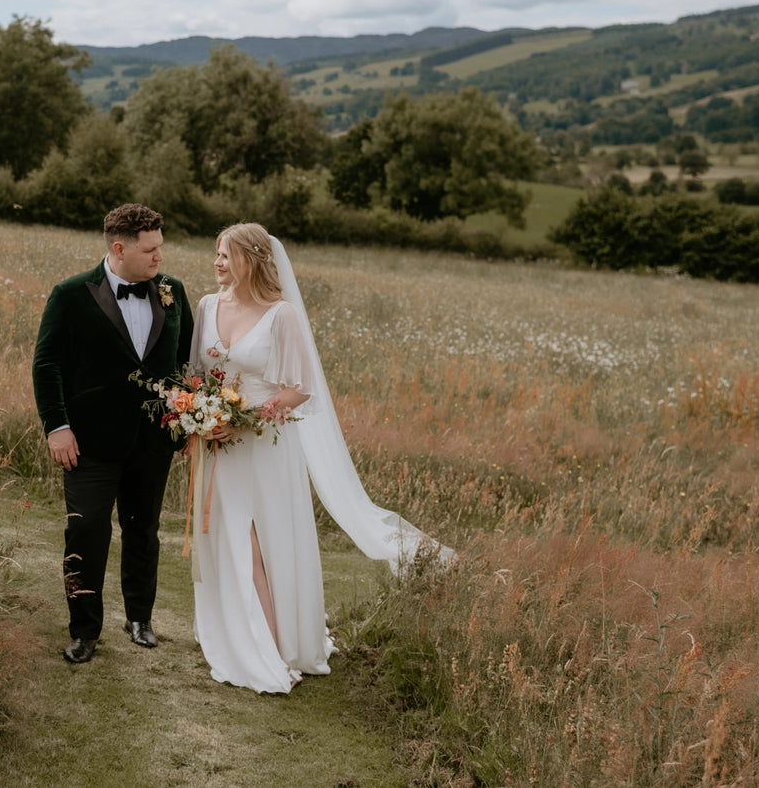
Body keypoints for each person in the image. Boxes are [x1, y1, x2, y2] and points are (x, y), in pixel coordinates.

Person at [187, 222, 454, 694]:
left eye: (226, 255)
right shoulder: (207, 305)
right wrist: (199, 413)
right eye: (216, 254)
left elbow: (299, 390)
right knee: (229, 537)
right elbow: (194, 374)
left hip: (265, 444)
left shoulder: (281, 315)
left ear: (251, 258)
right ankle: (240, 633)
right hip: (218, 445)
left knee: (261, 542)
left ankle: (274, 646)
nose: (217, 264)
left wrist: (243, 415)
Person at [32, 203, 194, 664]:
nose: (159, 257)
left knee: (143, 532)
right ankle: (84, 630)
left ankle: (139, 618)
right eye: (150, 250)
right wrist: (57, 427)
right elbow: (47, 366)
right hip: (89, 443)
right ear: (119, 248)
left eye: (161, 247)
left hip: (153, 441)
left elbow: (185, 364)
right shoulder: (70, 295)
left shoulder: (172, 291)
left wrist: (185, 419)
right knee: (86, 534)